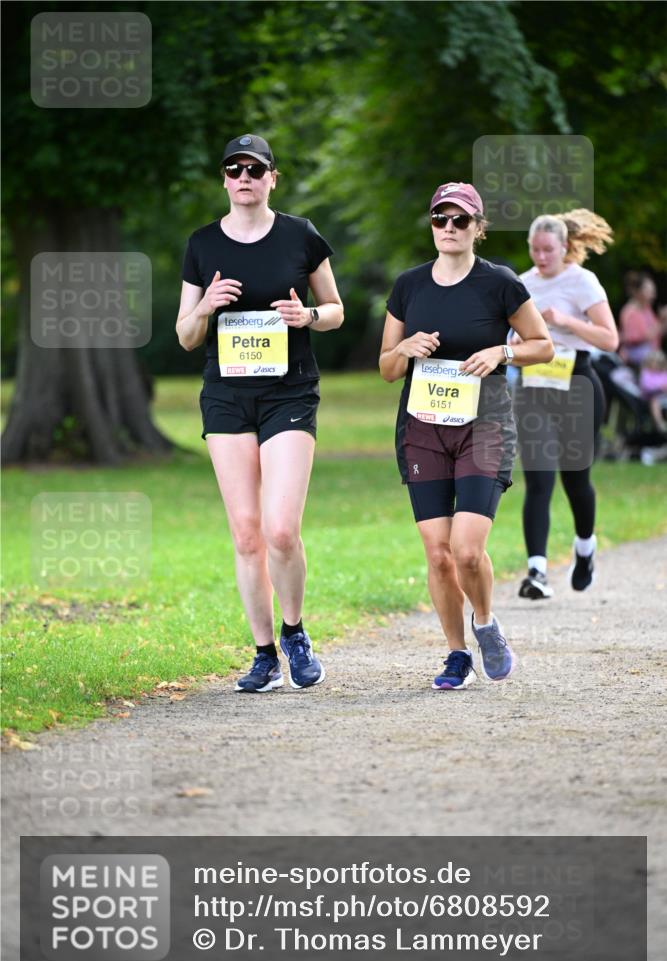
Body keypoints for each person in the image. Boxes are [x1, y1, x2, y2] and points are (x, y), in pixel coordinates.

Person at [176, 133, 344, 692]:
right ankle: (264, 652)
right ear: (224, 179)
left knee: (279, 530)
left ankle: (295, 632)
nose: (244, 176)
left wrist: (308, 316)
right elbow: (184, 336)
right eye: (234, 168)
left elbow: (337, 311)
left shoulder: (300, 235)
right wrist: (204, 306)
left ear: (273, 177)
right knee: (246, 535)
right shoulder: (202, 244)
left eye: (255, 167)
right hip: (226, 395)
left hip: (288, 393)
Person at [379, 182, 553, 691]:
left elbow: (542, 345)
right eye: (440, 218)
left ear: (478, 228)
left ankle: (485, 623)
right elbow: (387, 368)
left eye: (460, 220)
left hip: (485, 423)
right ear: (431, 224)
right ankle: (457, 654)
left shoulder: (498, 283)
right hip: (423, 428)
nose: (449, 228)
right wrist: (406, 347)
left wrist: (503, 353)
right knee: (438, 553)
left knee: (467, 550)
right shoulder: (409, 286)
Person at [514, 210, 618, 600]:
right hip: (534, 386)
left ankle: (585, 548)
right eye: (535, 250)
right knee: (539, 479)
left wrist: (565, 322)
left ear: (564, 247)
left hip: (576, 383)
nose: (541, 257)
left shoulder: (582, 281)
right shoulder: (521, 285)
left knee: (576, 479)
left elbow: (610, 340)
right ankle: (537, 572)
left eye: (548, 250)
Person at [619, 271, 666, 369]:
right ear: (638, 291)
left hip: (652, 357)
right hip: (637, 360)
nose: (653, 295)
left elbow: (658, 333)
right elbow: (642, 337)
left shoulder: (647, 309)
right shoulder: (631, 312)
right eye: (649, 291)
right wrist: (661, 320)